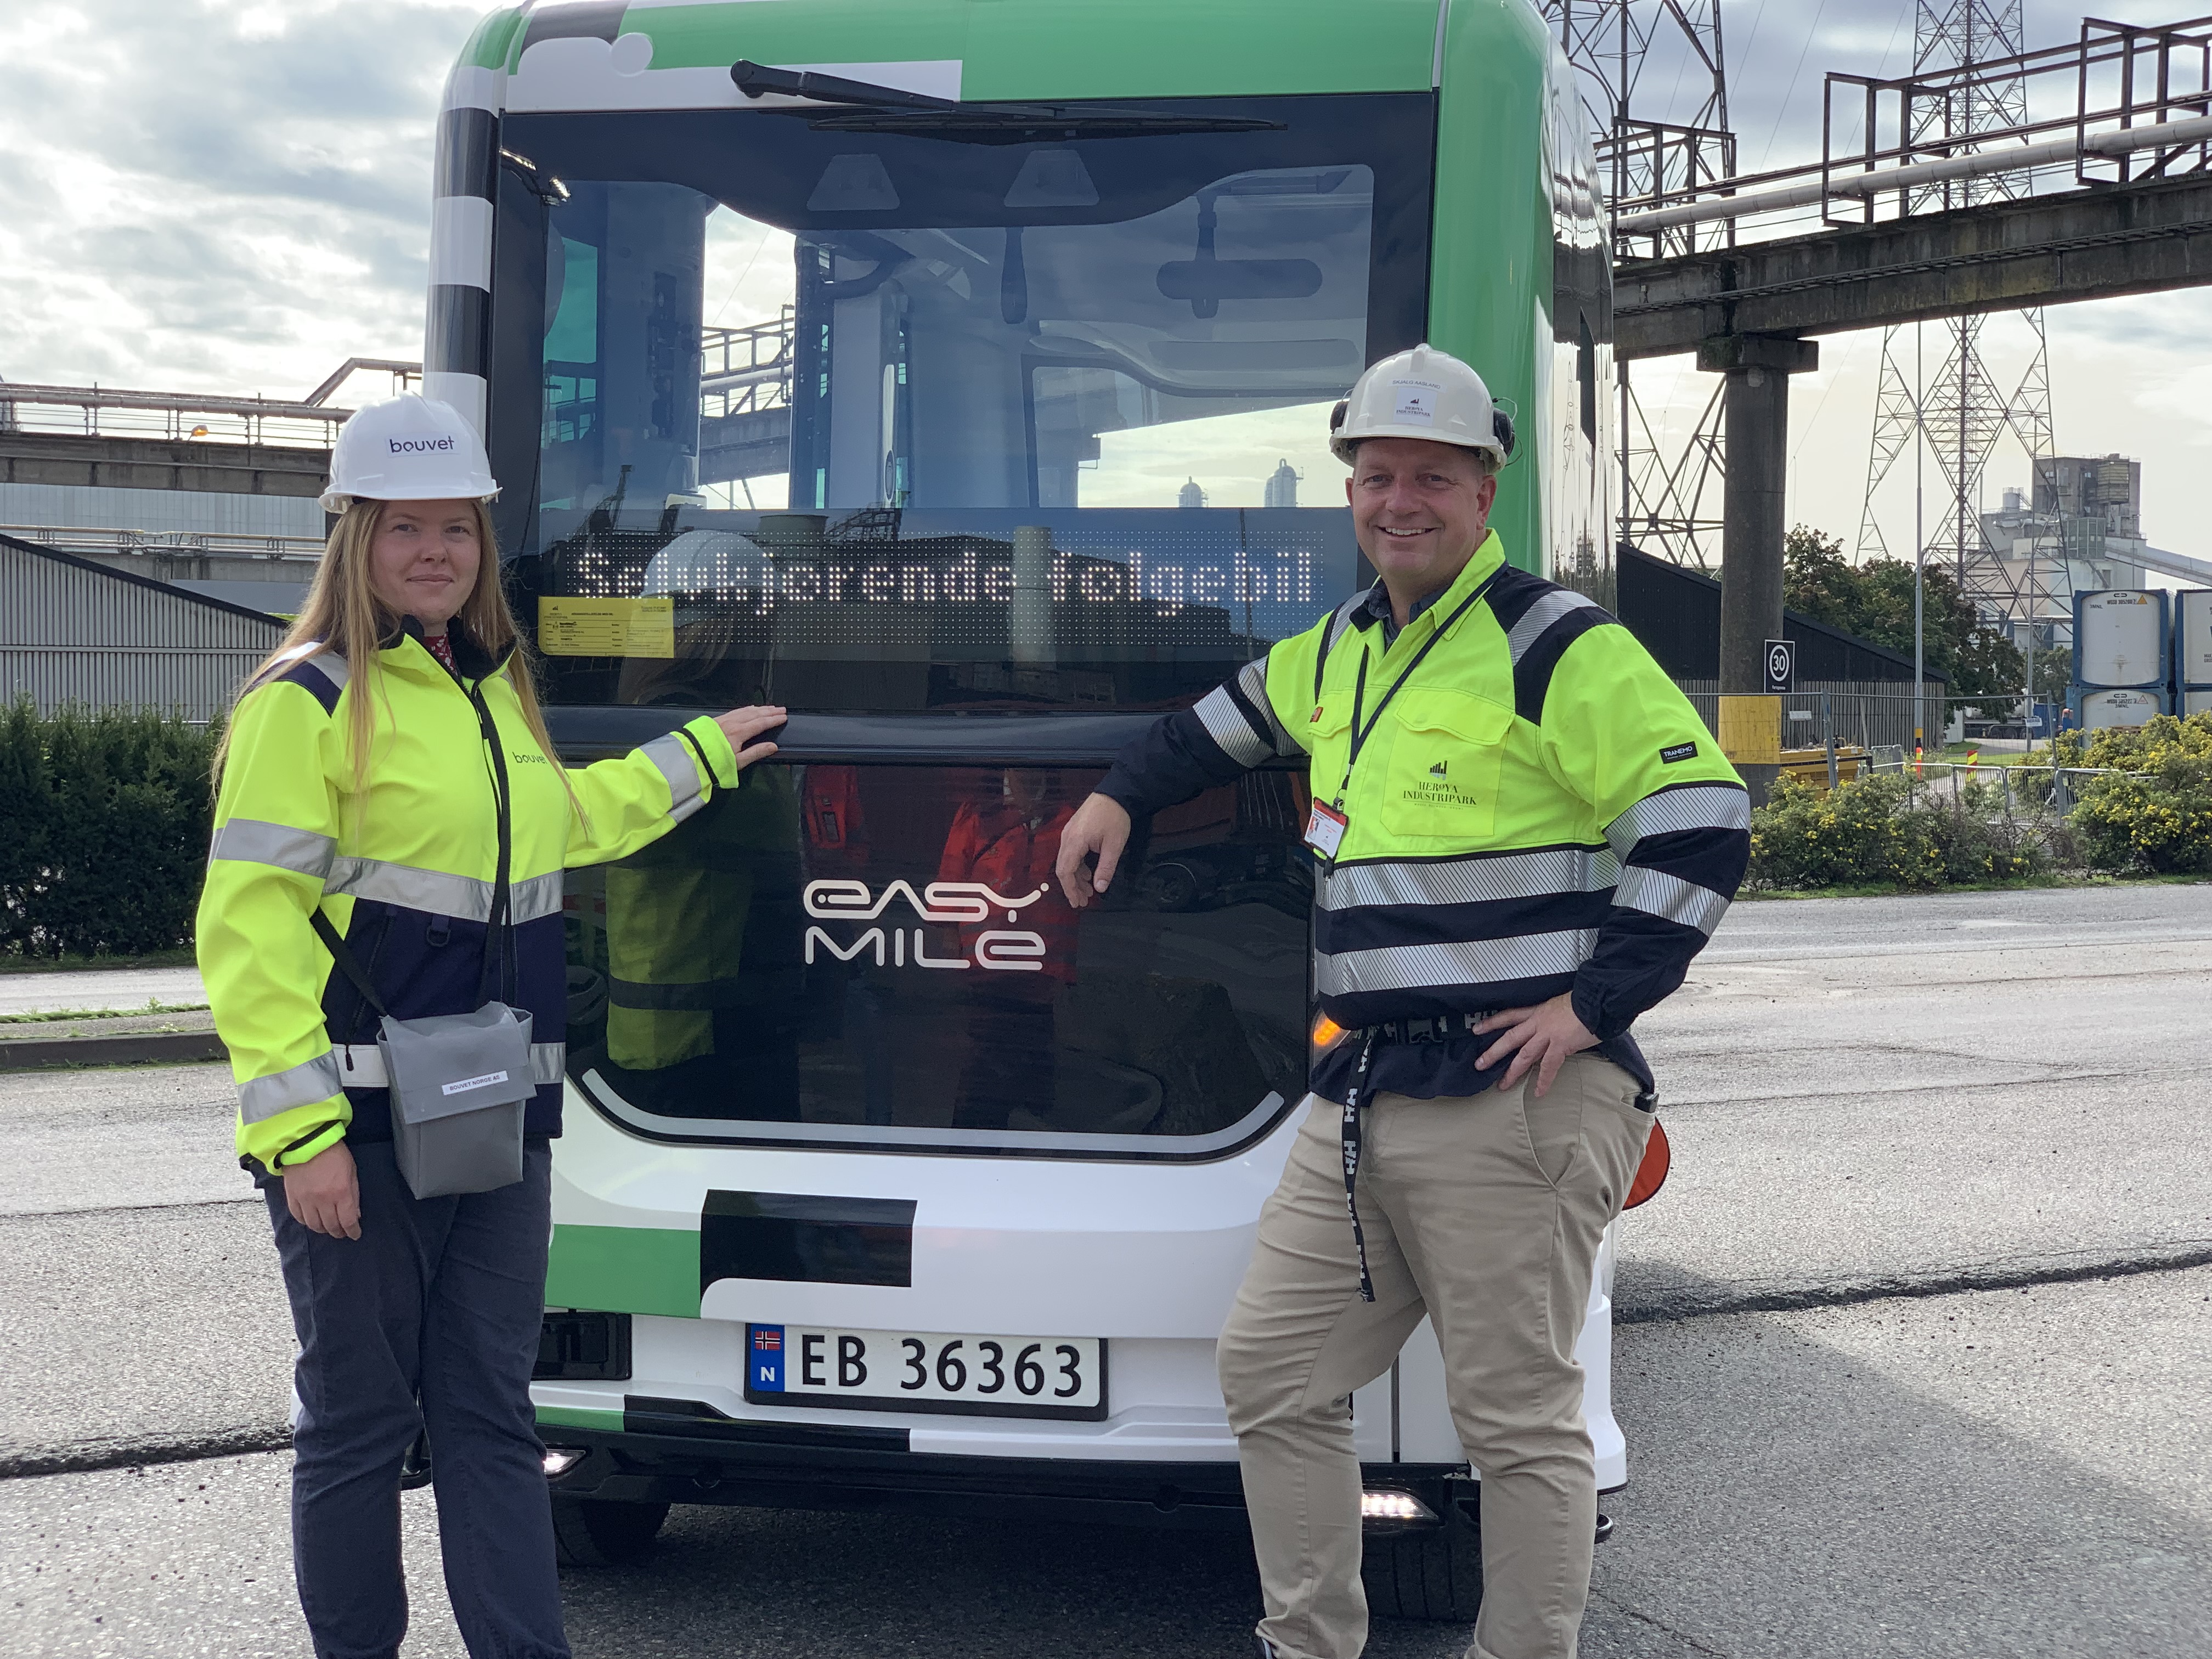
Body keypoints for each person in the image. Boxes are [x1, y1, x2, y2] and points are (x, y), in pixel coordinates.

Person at [1053, 345, 1751, 1659]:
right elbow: (1216, 725)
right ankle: (1308, 1643)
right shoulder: (1343, 649)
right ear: (1353, 492)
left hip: (1519, 1098)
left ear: (1487, 494)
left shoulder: (1558, 645)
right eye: (1377, 476)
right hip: (1367, 1093)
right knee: (1271, 1373)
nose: (1399, 501)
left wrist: (1591, 1008)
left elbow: (1704, 824)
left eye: (1432, 476)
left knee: (1515, 1425)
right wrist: (1118, 794)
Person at [196, 394, 786, 1659]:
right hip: (356, 1124)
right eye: (404, 527)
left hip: (495, 1123)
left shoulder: (489, 693)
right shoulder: (306, 703)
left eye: (456, 530)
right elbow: (244, 934)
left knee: (491, 1417)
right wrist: (303, 1139)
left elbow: (569, 824)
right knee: (358, 1424)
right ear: (354, 537)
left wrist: (701, 757)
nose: (435, 553)